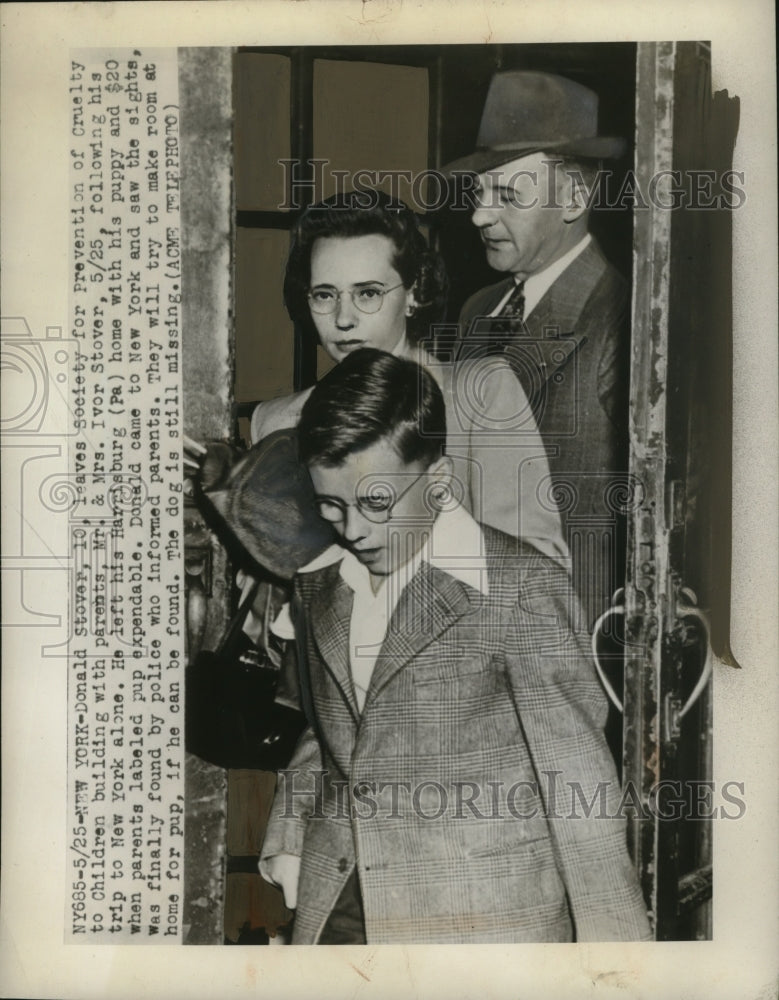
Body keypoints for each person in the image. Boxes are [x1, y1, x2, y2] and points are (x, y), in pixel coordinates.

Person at [258, 348, 651, 944]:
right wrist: (289, 834)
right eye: (331, 506)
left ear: (438, 483)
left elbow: (579, 791)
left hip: (485, 922)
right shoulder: (319, 585)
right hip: (346, 908)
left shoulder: (520, 588)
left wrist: (619, 963)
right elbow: (334, 730)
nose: (354, 530)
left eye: (376, 503)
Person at [250, 188, 567, 564]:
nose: (343, 318)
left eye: (368, 293)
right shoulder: (276, 422)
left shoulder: (480, 395)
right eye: (324, 295)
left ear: (414, 293)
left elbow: (539, 564)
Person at [445, 71, 632, 626]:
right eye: (478, 193)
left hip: (565, 633)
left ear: (574, 197)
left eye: (507, 195)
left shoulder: (621, 319)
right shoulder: (478, 309)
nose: (479, 216)